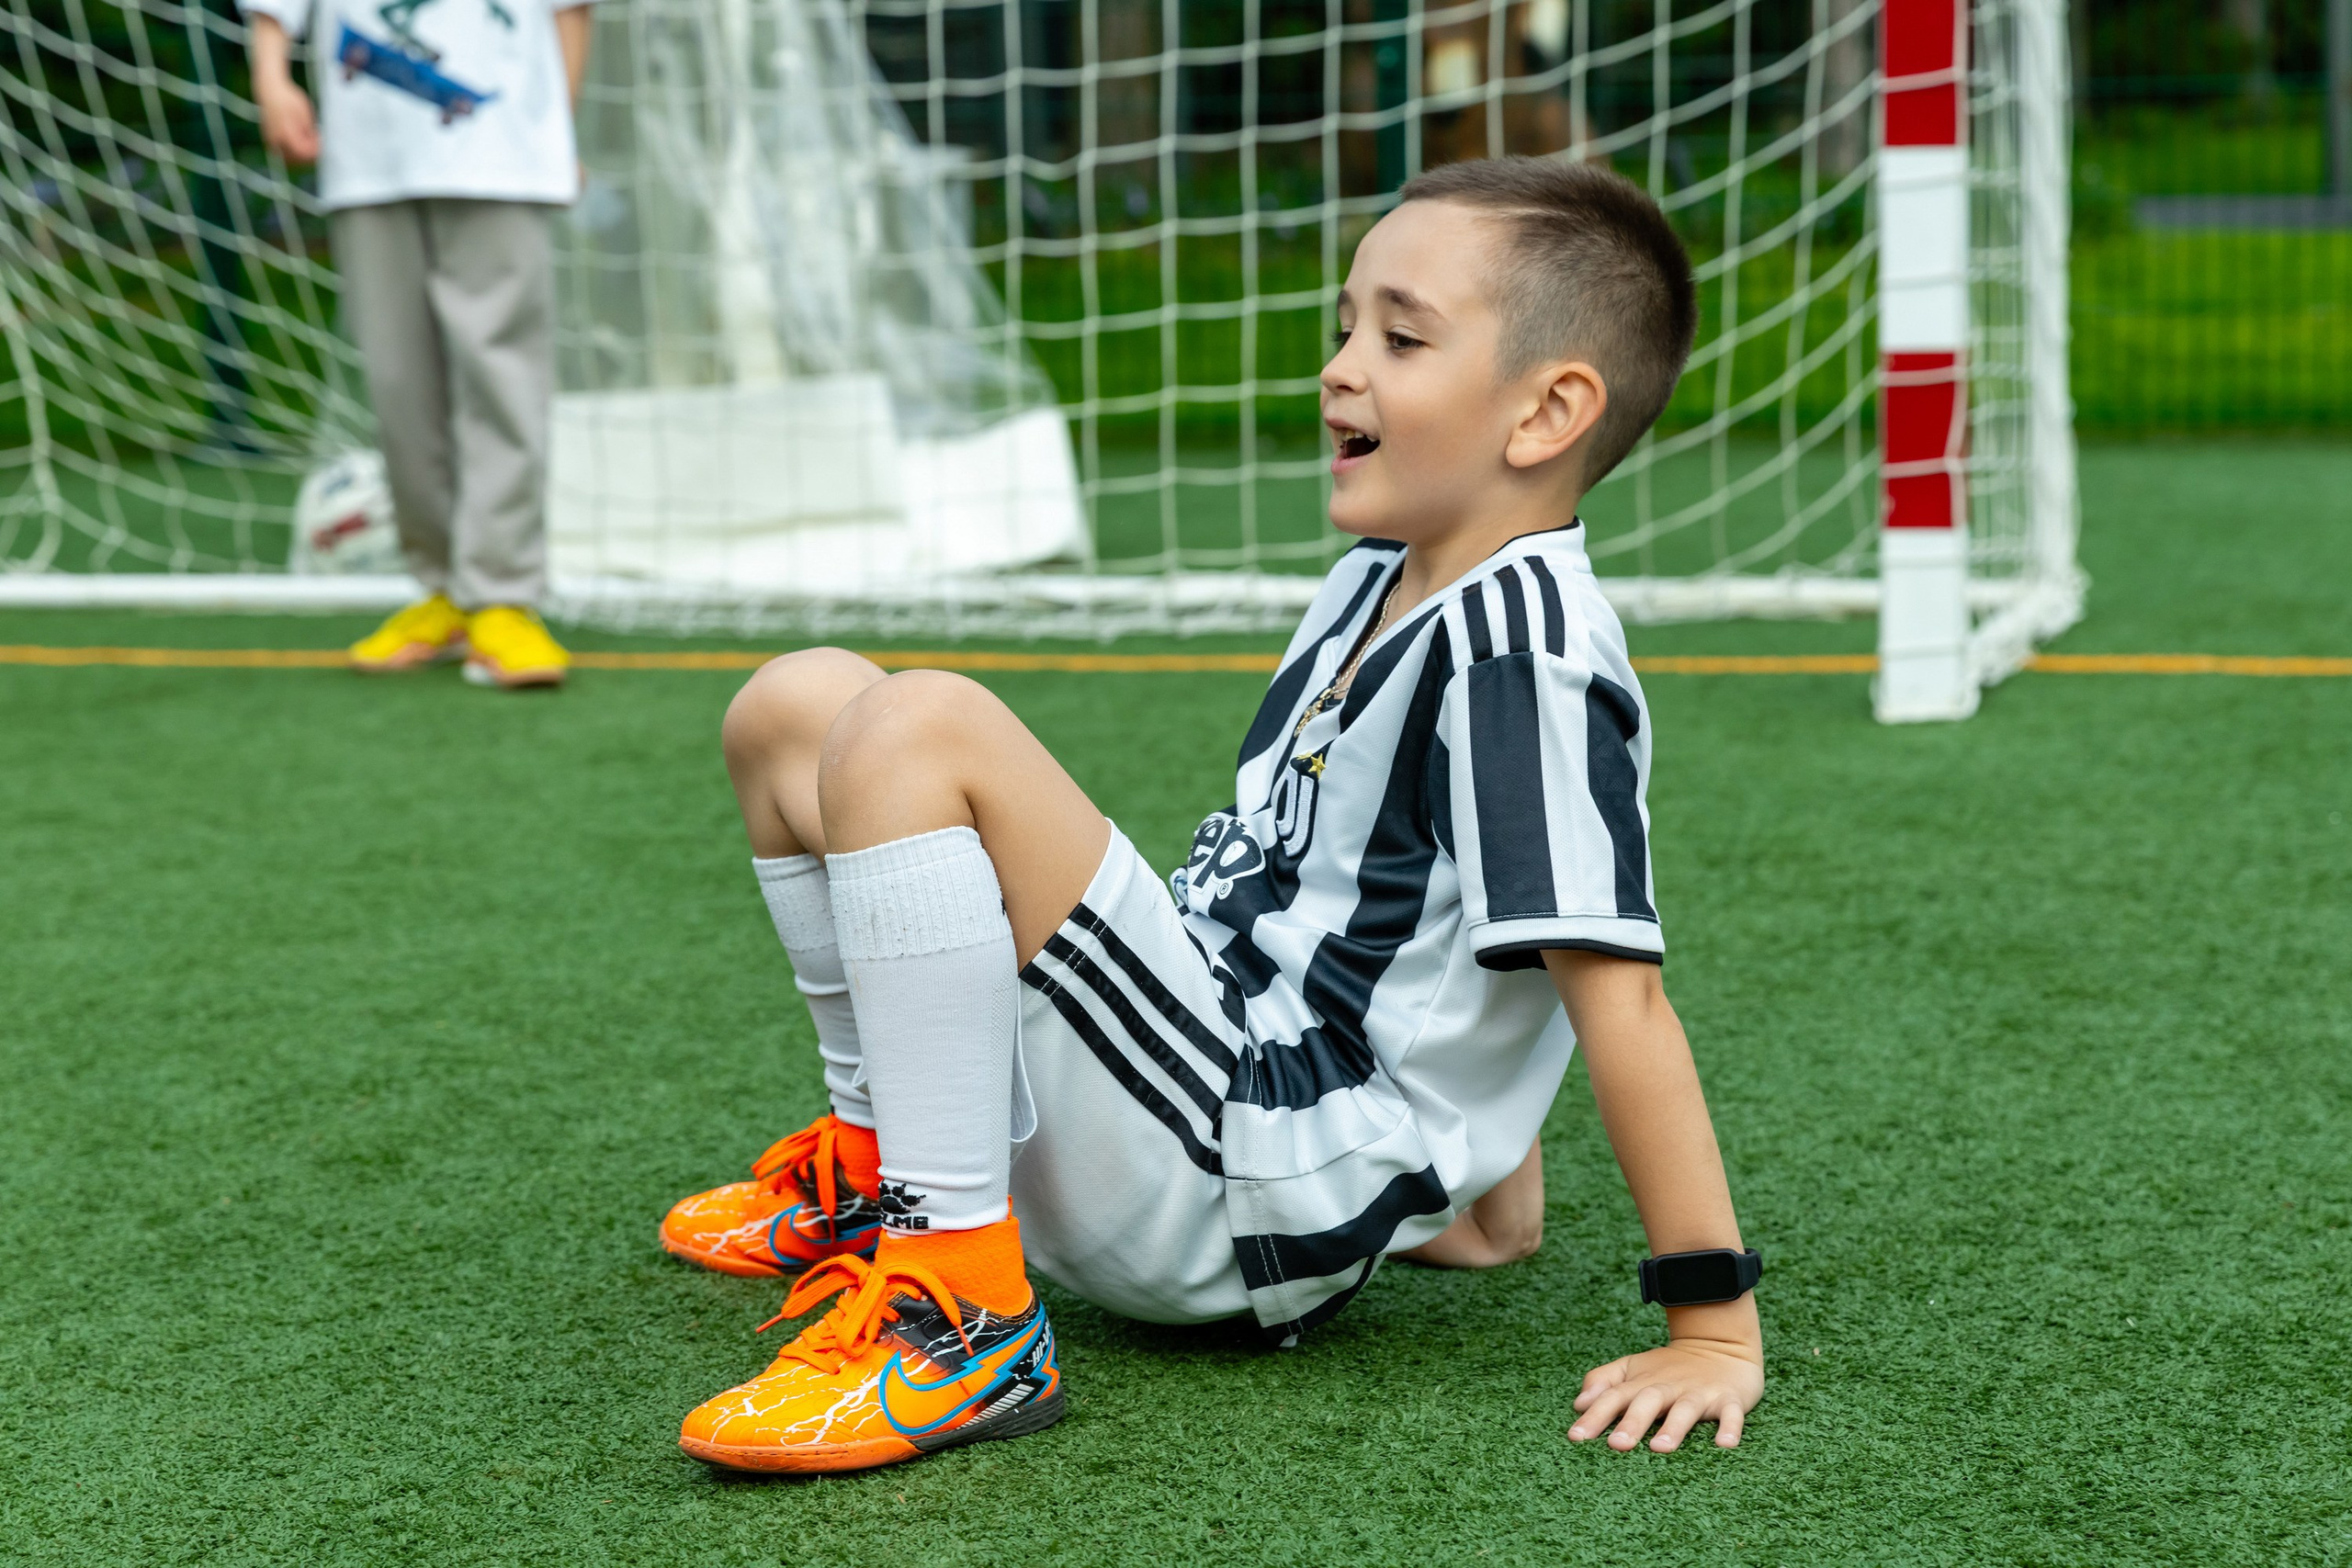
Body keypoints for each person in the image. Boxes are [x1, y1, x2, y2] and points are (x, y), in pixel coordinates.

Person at [659, 156, 1766, 1473]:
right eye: (1346, 324)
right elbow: (1438, 933)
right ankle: (882, 1166)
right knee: (796, 705)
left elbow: (1611, 987)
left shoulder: (1525, 653)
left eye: (1401, 336)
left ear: (1547, 413)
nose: (1343, 366)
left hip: (1244, 1154)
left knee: (920, 724)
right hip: (1199, 1079)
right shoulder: (1387, 574)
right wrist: (1482, 1199)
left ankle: (962, 1314)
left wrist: (1710, 1323)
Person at [245, 0, 592, 689]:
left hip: (500, 154)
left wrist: (558, 129)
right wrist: (272, 78)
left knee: (502, 377)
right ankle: (442, 588)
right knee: (400, 385)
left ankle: (500, 592)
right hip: (368, 160)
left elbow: (571, 11)